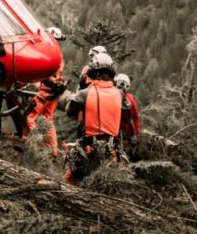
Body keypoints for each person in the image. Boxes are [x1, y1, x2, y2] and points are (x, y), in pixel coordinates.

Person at [59, 51, 129, 184]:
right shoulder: (119, 93)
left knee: (70, 180)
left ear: (94, 73)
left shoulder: (85, 93)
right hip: (113, 149)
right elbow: (126, 108)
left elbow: (69, 110)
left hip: (89, 148)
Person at [24, 66, 66, 156]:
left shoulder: (51, 61)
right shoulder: (59, 61)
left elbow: (50, 77)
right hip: (54, 94)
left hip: (45, 93)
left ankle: (36, 143)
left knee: (30, 117)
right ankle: (53, 149)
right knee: (48, 120)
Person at [114, 73, 141, 153]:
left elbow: (133, 118)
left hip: (125, 132)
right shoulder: (128, 98)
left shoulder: (129, 99)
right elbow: (135, 118)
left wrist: (134, 135)